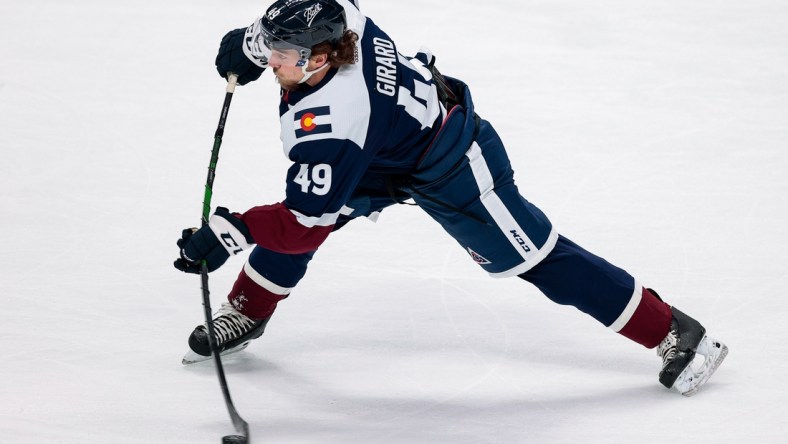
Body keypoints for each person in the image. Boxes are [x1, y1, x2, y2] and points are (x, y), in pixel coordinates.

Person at [175, 0, 727, 396]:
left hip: (450, 162)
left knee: (534, 257)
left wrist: (232, 231)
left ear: (318, 59)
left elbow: (300, 220)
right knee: (304, 217)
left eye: (282, 56)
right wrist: (252, 44)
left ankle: (673, 327)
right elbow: (291, 22)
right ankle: (250, 311)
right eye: (273, 51)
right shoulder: (340, 16)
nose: (273, 62)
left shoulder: (335, 121)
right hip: (384, 152)